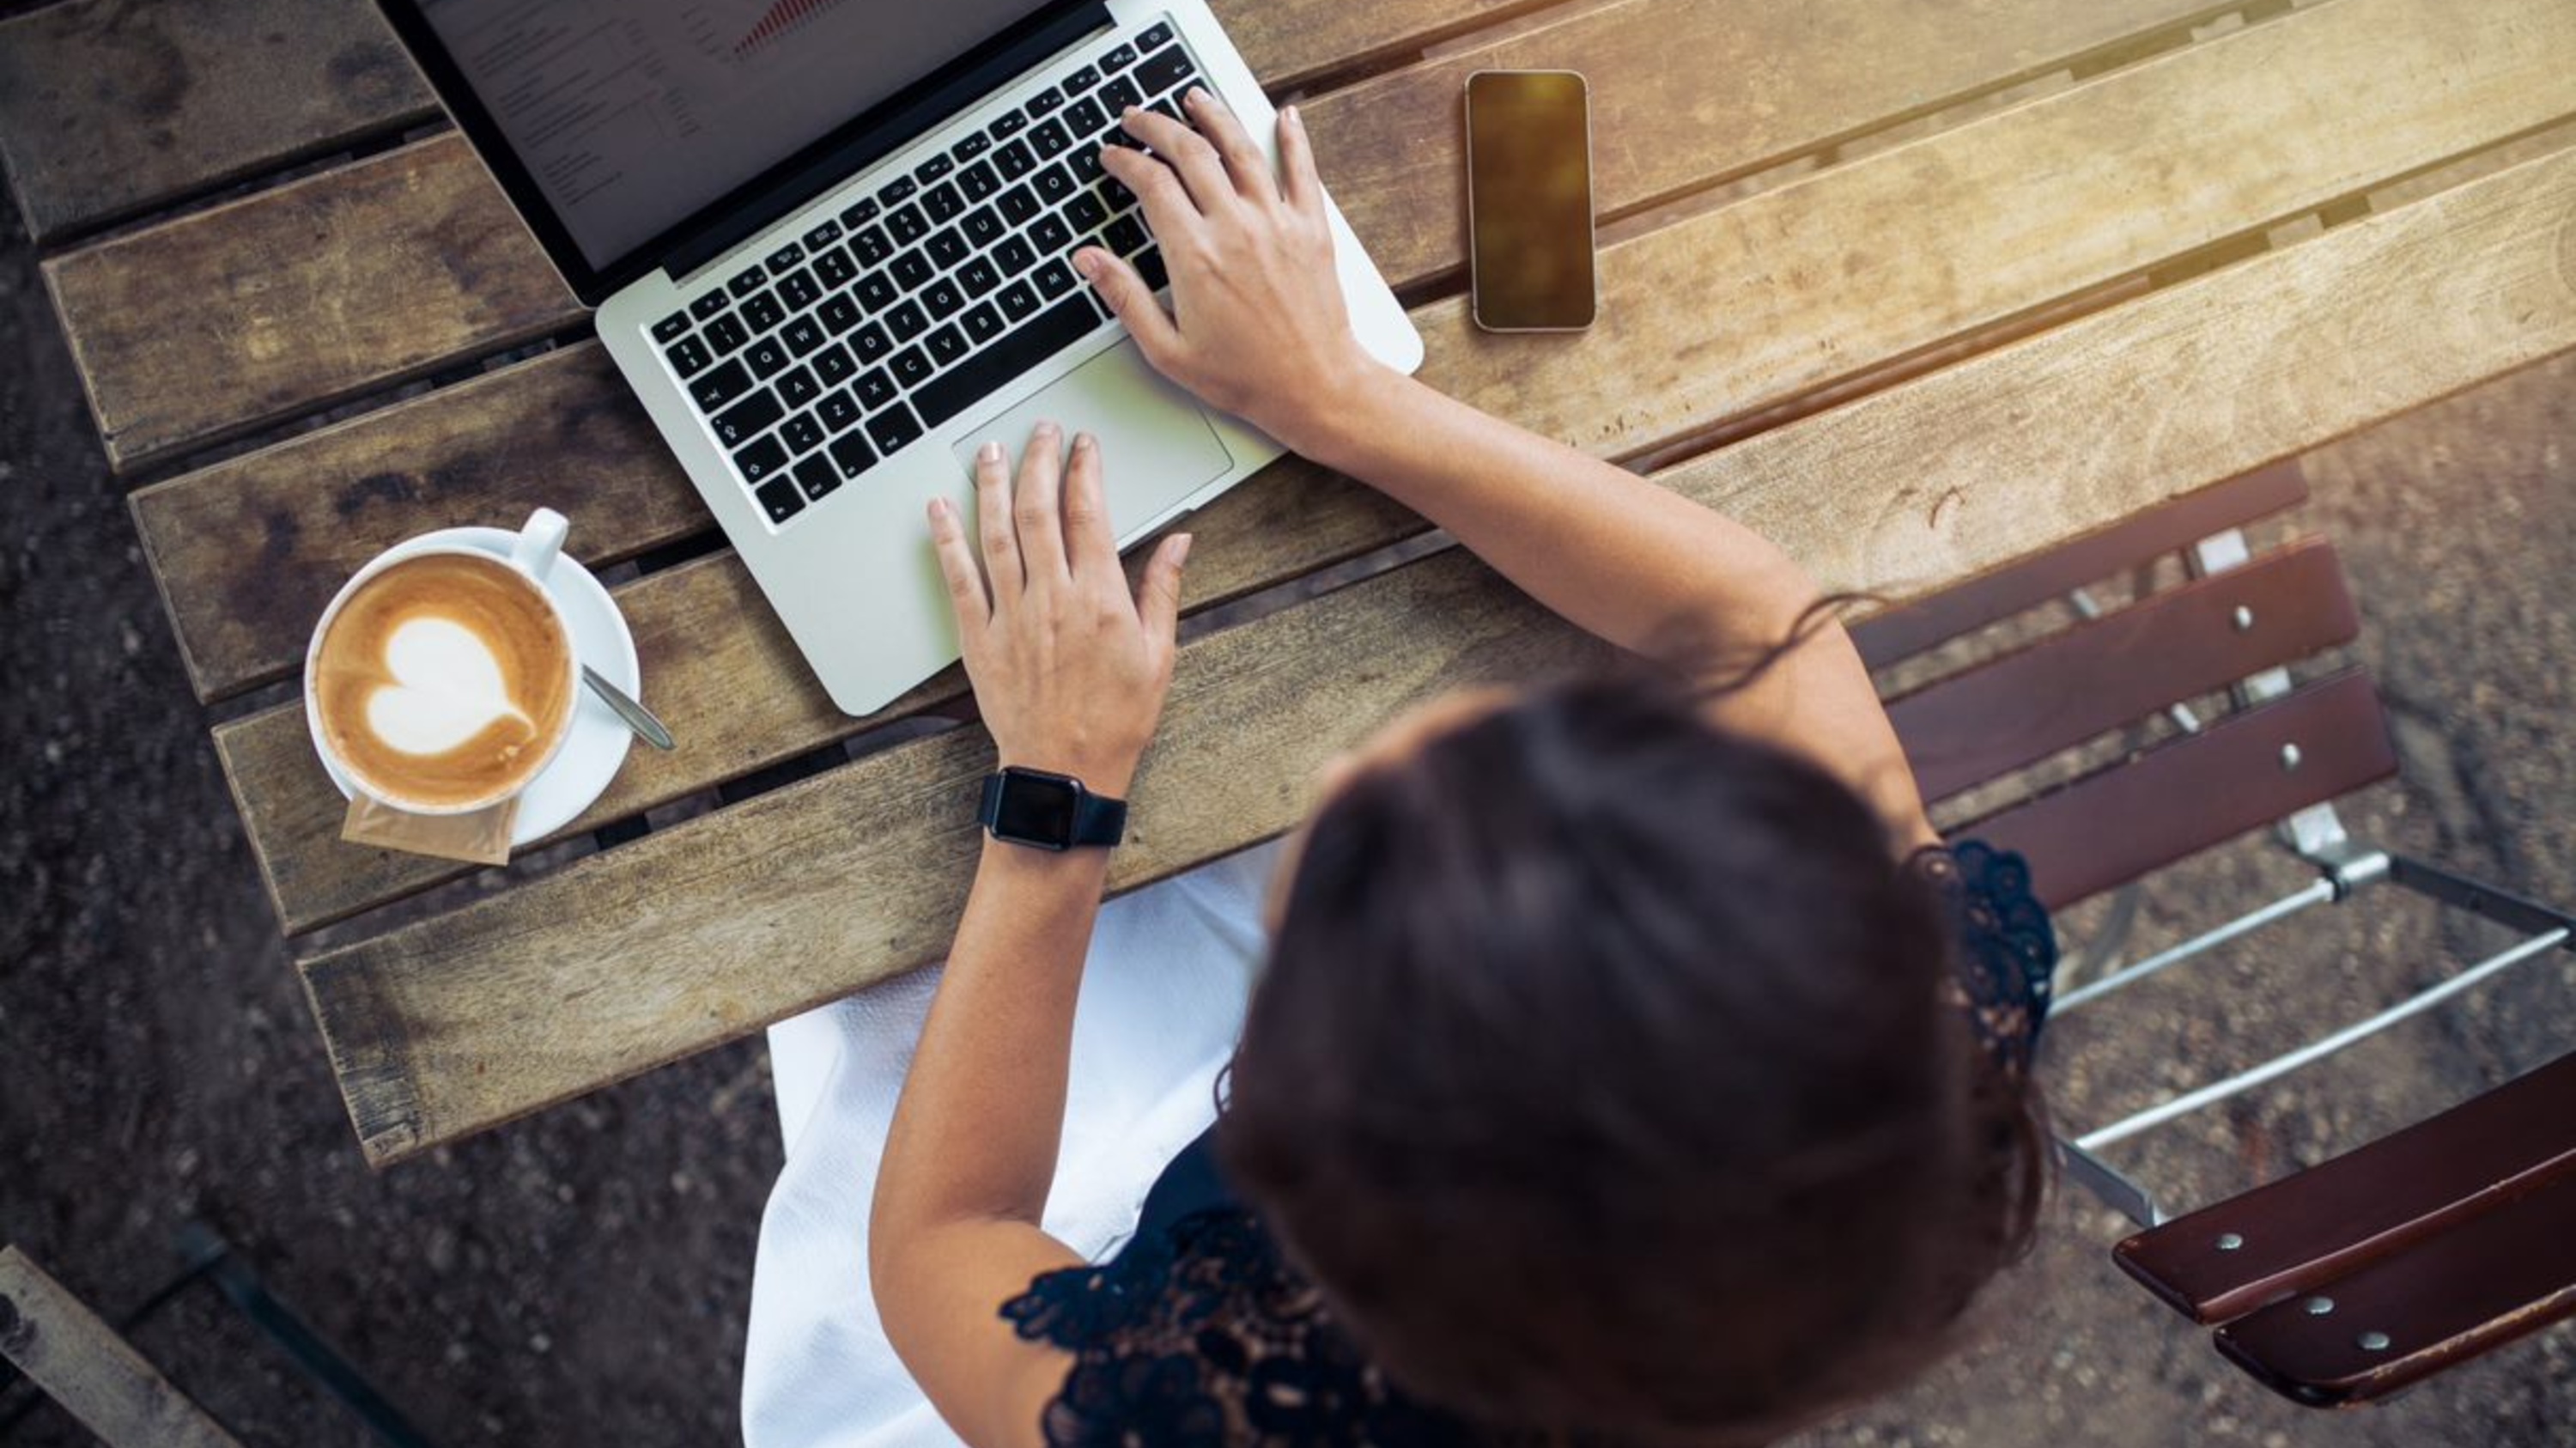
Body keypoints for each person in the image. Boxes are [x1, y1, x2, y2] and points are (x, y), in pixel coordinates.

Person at [742, 88, 2054, 1447]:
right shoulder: (1907, 1035)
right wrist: (1347, 399)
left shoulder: (1214, 1406)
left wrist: (1053, 805)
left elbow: (943, 1241)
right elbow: (1755, 626)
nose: (1393, 741)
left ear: (1317, 1136)